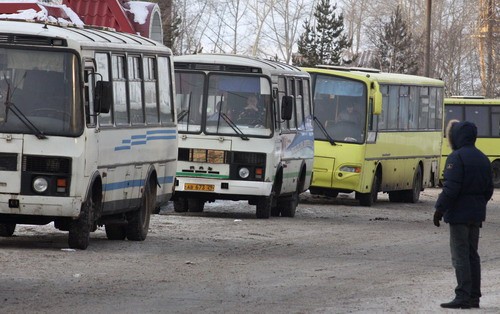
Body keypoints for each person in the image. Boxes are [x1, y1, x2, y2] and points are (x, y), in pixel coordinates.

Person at [433, 120, 494, 309]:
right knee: (472, 255)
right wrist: (477, 205)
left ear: (457, 136)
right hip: (476, 215)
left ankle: (463, 296)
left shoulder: (456, 157)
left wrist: (439, 209)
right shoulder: (483, 158)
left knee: (460, 255)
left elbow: (451, 189)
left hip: (459, 215)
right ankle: (474, 297)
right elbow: (489, 190)